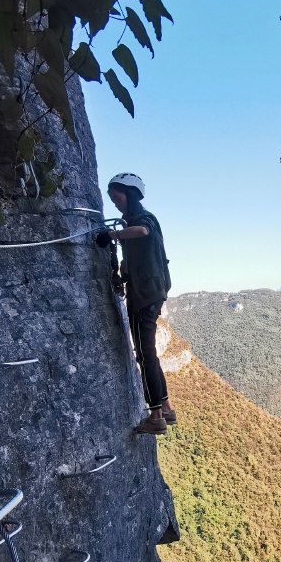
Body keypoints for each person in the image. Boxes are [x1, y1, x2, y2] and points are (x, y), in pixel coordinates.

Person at [96, 173, 176, 435]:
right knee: (149, 353)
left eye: (117, 198)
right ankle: (165, 407)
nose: (116, 204)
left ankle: (155, 417)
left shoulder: (144, 218)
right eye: (112, 199)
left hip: (144, 294)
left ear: (130, 195)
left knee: (145, 354)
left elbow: (143, 231)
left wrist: (112, 234)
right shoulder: (133, 220)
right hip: (148, 290)